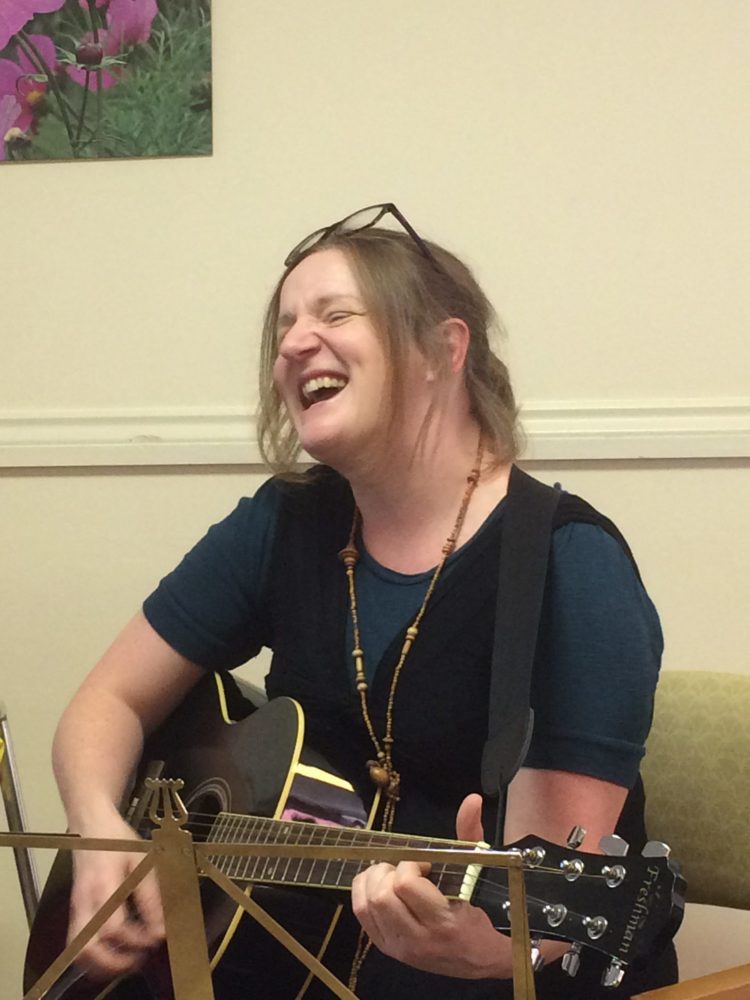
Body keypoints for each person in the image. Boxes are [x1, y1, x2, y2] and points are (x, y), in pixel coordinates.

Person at [50, 204, 678, 999]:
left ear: (442, 348)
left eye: (335, 314)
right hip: (289, 959)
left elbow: (546, 919)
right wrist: (99, 831)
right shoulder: (284, 523)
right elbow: (105, 702)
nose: (292, 344)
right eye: (285, 325)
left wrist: (482, 946)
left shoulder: (570, 565)